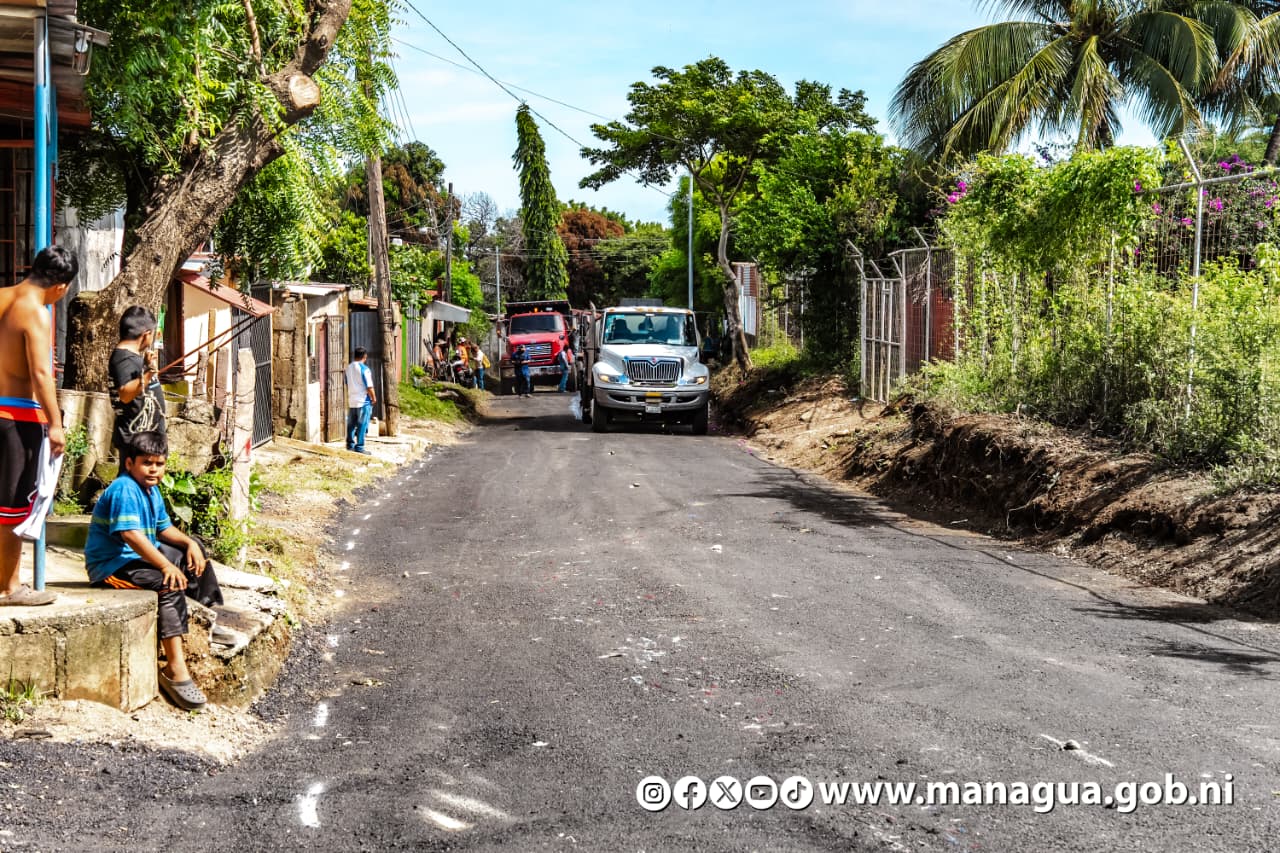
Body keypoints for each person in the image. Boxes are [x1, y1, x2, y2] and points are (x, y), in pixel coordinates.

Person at [84, 431, 223, 710]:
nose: (153, 470)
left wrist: (189, 543)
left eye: (159, 464)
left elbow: (163, 529)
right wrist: (165, 565)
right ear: (130, 464)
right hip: (113, 566)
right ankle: (174, 670)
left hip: (137, 559)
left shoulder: (151, 490)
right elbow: (131, 535)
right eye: (147, 463)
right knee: (168, 582)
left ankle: (209, 616)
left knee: (194, 548)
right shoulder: (124, 489)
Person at [0, 246, 77, 606]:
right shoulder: (36, 312)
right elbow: (41, 373)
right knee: (11, 508)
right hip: (17, 418)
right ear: (61, 287)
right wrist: (55, 423)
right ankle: (9, 587)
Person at [109, 306, 167, 473]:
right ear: (146, 334)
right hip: (135, 440)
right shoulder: (123, 358)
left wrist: (147, 366)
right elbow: (125, 394)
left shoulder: (132, 358)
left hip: (145, 438)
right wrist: (149, 373)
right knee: (131, 484)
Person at [345, 347, 376, 454]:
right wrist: (373, 398)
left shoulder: (348, 368)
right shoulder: (364, 369)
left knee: (351, 425)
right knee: (362, 424)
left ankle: (350, 445)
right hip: (363, 401)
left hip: (352, 400)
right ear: (365, 356)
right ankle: (360, 447)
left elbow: (347, 383)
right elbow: (369, 386)